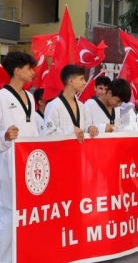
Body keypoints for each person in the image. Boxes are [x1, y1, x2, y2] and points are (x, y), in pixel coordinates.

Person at [0, 51, 41, 263]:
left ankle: (21, 256)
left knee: (27, 213)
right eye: (30, 68)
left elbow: (34, 130)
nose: (33, 72)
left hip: (29, 163)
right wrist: (4, 136)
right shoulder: (1, 97)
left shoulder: (31, 98)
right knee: (8, 213)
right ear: (18, 71)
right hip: (7, 162)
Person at [44, 65, 99, 142]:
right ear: (71, 81)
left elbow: (85, 127)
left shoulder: (81, 105)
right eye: (81, 79)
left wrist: (90, 128)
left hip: (79, 150)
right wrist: (71, 129)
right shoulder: (54, 105)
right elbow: (48, 135)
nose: (84, 82)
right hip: (61, 151)